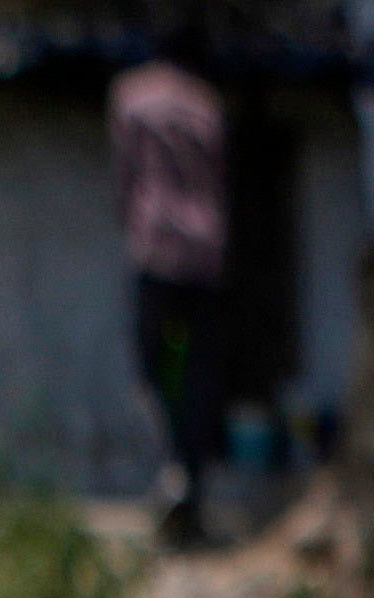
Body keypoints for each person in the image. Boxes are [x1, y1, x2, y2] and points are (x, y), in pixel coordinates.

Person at [109, 48, 235, 530]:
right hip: (206, 257)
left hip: (159, 253)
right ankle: (187, 479)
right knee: (195, 375)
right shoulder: (205, 102)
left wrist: (130, 223)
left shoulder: (132, 95)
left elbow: (125, 178)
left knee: (157, 370)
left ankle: (174, 468)